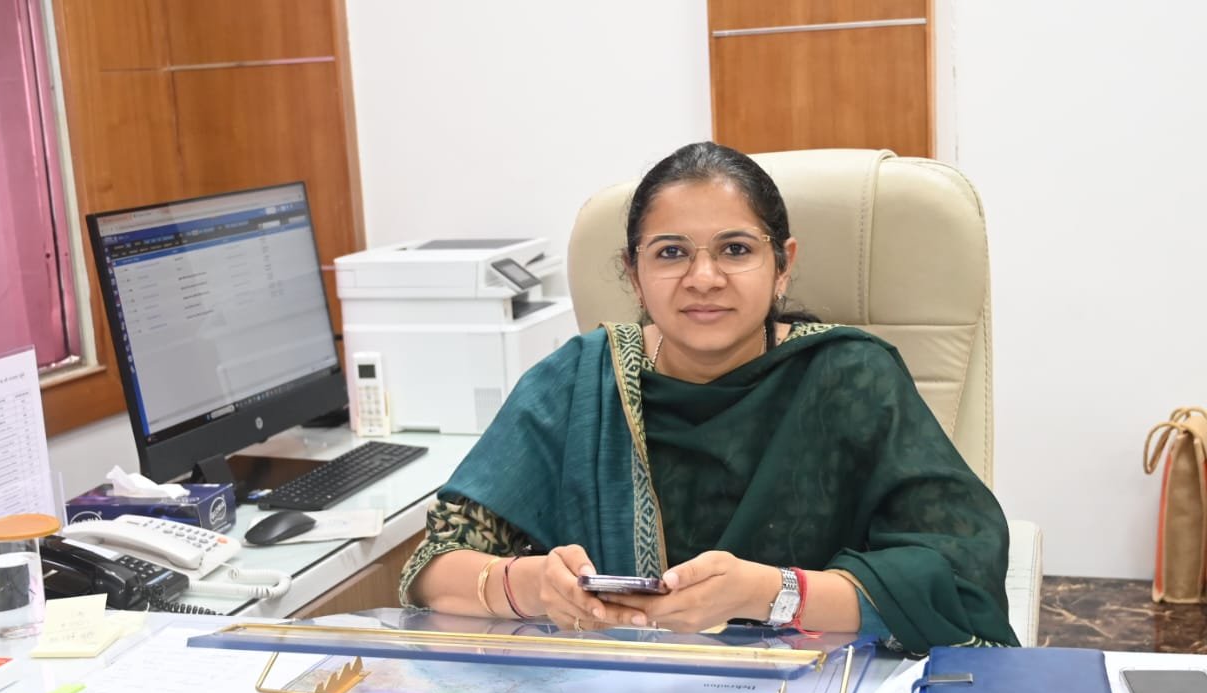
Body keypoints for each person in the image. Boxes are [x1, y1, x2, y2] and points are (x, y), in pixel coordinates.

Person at [399, 141, 1018, 655]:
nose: (703, 278)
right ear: (633, 273)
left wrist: (769, 593)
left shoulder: (850, 377)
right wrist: (532, 585)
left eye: (735, 249)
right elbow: (432, 567)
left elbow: (958, 578)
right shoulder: (580, 382)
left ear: (783, 265)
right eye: (671, 253)